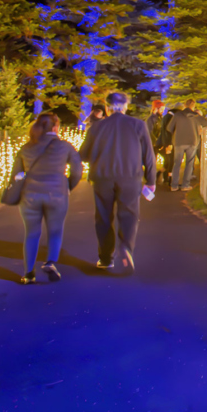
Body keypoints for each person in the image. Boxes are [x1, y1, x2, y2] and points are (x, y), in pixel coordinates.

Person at [78, 92, 156, 273]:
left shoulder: (96, 127)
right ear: (126, 107)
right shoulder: (138, 125)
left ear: (107, 107)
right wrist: (151, 180)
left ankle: (105, 258)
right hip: (130, 177)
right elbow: (148, 155)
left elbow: (83, 155)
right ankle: (126, 247)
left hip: (102, 178)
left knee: (103, 217)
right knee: (128, 215)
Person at [11, 112, 81, 285]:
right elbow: (77, 170)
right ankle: (50, 262)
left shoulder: (26, 147)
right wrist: (68, 187)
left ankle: (28, 274)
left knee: (31, 234)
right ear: (56, 127)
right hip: (57, 194)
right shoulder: (65, 146)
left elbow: (16, 174)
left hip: (30, 195)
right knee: (55, 231)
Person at [165, 98, 207, 191]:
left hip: (179, 142)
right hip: (192, 142)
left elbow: (169, 128)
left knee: (177, 163)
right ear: (193, 106)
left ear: (185, 105)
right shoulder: (196, 116)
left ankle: (174, 185)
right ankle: (185, 185)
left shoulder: (177, 115)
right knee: (189, 163)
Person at [146, 100, 166, 182]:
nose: (163, 111)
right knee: (152, 162)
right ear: (156, 109)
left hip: (160, 143)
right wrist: (156, 142)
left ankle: (160, 173)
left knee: (169, 159)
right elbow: (149, 132)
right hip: (153, 144)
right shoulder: (151, 119)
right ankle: (151, 178)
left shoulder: (160, 118)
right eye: (161, 109)